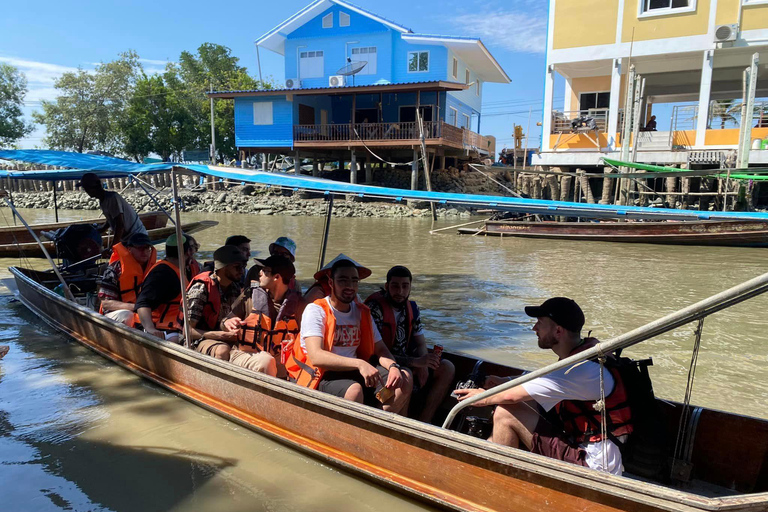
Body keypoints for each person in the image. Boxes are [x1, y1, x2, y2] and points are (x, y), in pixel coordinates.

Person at [454, 298, 632, 475]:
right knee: (524, 404)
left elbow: (511, 397)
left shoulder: (578, 371)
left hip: (593, 468)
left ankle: (499, 480)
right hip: (595, 451)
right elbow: (541, 380)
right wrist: (504, 380)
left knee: (505, 412)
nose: (534, 328)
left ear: (558, 331)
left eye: (540, 323)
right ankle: (489, 453)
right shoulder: (586, 356)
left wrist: (481, 397)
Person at [288, 255, 413, 415]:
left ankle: (374, 423)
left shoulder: (362, 312)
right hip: (322, 374)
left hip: (356, 371)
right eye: (343, 280)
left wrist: (393, 367)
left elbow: (381, 349)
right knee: (354, 390)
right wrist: (359, 364)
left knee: (404, 378)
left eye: (354, 281)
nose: (350, 286)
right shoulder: (316, 310)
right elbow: (316, 357)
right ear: (331, 283)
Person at [365, 266, 455, 423]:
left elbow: (420, 343)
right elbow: (375, 352)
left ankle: (425, 421)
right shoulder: (375, 309)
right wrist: (416, 362)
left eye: (405, 286)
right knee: (405, 374)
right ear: (387, 287)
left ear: (410, 287)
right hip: (380, 363)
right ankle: (401, 422)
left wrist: (424, 364)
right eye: (395, 286)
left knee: (447, 367)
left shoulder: (412, 308)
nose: (400, 291)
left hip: (406, 360)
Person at [234, 255, 302, 378]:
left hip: (279, 359)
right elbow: (224, 322)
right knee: (266, 361)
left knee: (295, 365)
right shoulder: (250, 296)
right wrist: (228, 323)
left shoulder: (299, 305)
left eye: (265, 271)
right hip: (247, 355)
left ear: (276, 277)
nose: (259, 273)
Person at [134, 234, 190, 343]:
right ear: (188, 252)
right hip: (160, 328)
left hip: (177, 327)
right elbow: (143, 302)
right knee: (178, 339)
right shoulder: (162, 272)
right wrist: (150, 329)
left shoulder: (181, 270)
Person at [97, 232, 157, 327]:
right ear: (129, 249)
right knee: (127, 315)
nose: (144, 251)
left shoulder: (155, 269)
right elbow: (106, 304)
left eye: (147, 248)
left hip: (144, 313)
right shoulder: (114, 270)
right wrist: (137, 308)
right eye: (140, 248)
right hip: (115, 315)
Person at [79, 173, 148, 253]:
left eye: (85, 188)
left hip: (137, 237)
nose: (85, 191)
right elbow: (111, 219)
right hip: (127, 239)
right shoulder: (103, 201)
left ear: (92, 188)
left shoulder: (112, 198)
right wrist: (100, 229)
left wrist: (112, 247)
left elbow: (120, 225)